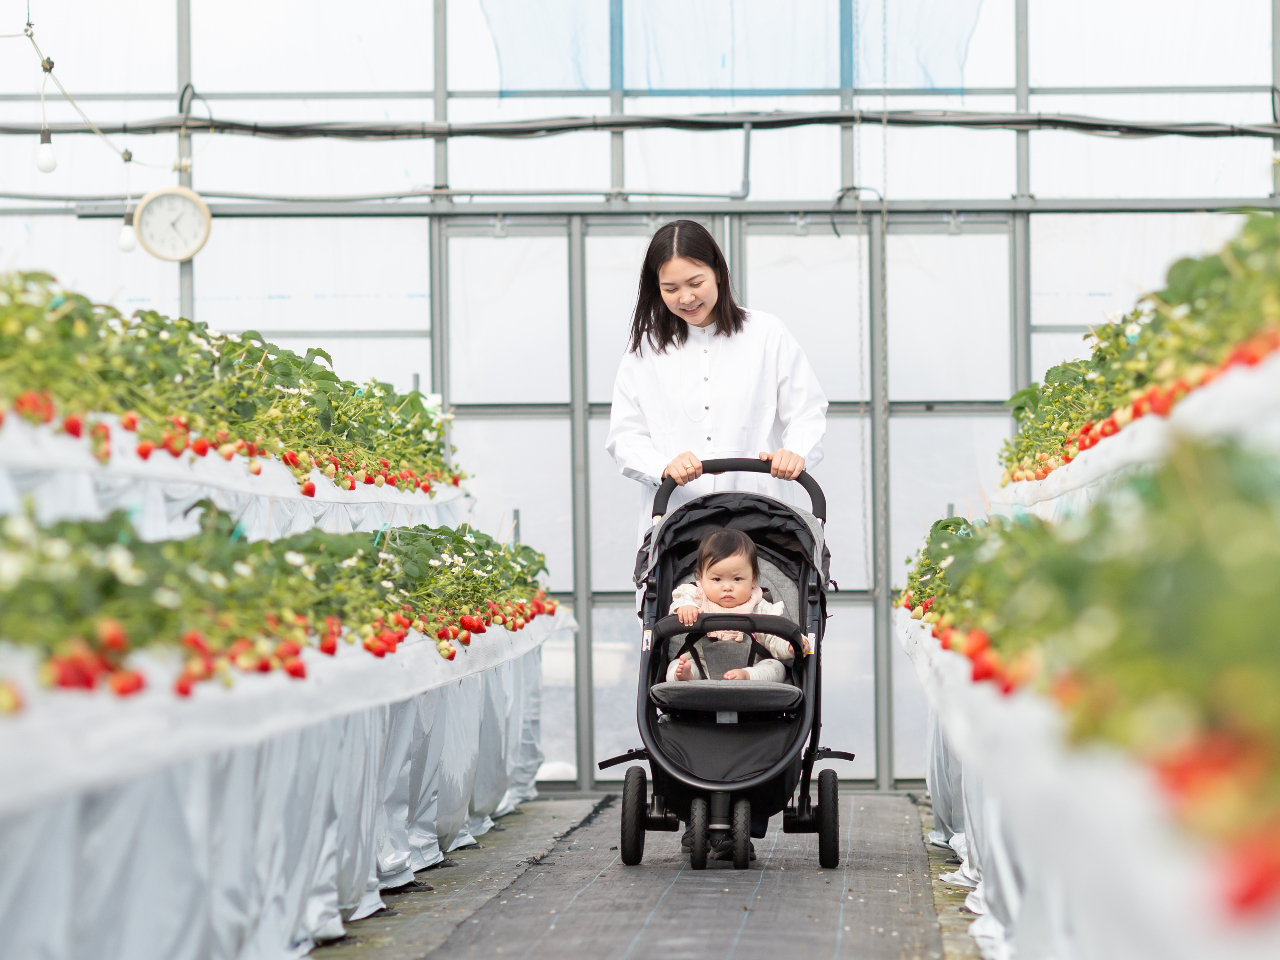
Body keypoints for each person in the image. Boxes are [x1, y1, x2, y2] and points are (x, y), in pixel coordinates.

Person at [605, 219, 828, 546]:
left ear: (719, 272)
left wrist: (794, 452)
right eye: (670, 289)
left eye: (696, 282)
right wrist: (663, 466)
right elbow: (624, 436)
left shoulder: (766, 334)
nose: (686, 298)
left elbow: (807, 410)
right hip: (678, 523)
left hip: (762, 516)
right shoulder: (644, 350)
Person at [667, 529, 806, 683]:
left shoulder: (759, 606)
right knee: (675, 666)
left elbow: (773, 640)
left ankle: (748, 676)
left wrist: (790, 645)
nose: (727, 587)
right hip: (701, 664)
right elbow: (681, 599)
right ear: (701, 577)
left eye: (737, 579)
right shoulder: (696, 596)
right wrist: (686, 607)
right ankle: (687, 676)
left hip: (751, 665)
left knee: (777, 668)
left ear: (753, 580)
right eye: (717, 579)